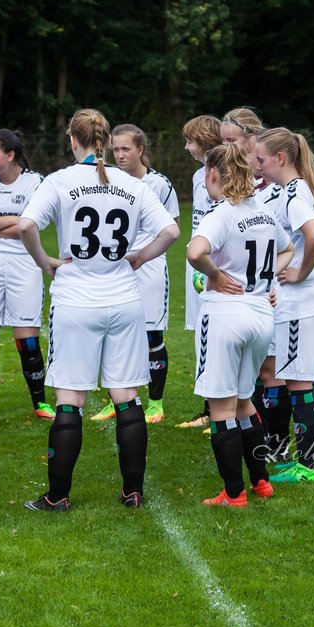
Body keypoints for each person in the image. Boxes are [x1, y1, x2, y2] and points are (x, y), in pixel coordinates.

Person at [16, 109, 179, 512]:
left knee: (70, 400)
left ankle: (57, 496)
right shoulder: (131, 183)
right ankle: (132, 491)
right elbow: (172, 231)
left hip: (76, 301)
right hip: (123, 299)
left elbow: (25, 226)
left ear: (73, 139)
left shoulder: (60, 180)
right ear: (106, 141)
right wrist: (140, 257)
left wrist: (45, 262)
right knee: (127, 397)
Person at [186, 144, 293, 506]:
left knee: (220, 408)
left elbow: (194, 252)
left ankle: (234, 493)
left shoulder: (221, 214)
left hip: (227, 315)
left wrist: (214, 276)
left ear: (213, 174)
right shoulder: (262, 211)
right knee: (245, 401)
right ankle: (262, 482)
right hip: (262, 314)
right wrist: (266, 279)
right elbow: (288, 248)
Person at [255, 128, 314, 483]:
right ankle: (312, 460)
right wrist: (310, 268)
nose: (257, 165)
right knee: (304, 381)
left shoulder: (293, 194)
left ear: (280, 159)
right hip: (305, 302)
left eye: (260, 159)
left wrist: (303, 272)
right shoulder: (299, 188)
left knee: (300, 383)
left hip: (300, 304)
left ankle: (308, 466)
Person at [89, 124, 179, 424]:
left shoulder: (159, 184)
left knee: (152, 334)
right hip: (116, 266)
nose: (120, 155)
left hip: (149, 266)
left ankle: (155, 403)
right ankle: (119, 397)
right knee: (116, 333)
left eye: (126, 149)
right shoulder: (108, 179)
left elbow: (172, 225)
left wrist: (144, 252)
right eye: (115, 149)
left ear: (141, 150)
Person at [0, 129, 50, 424]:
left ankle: (40, 402)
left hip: (25, 263)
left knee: (27, 338)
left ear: (10, 155)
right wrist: (15, 219)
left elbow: (31, 227)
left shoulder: (35, 182)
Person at [176, 115, 224, 430]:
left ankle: (220, 408)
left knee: (219, 332)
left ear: (203, 141)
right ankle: (209, 407)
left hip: (218, 264)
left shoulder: (227, 174)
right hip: (196, 263)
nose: (186, 146)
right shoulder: (197, 177)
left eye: (190, 140)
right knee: (203, 334)